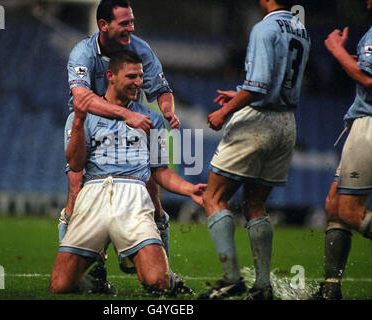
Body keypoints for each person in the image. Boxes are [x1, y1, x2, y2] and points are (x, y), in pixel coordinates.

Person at [49, 50, 206, 295]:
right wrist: (79, 120)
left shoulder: (152, 119)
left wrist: (189, 189)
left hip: (133, 196)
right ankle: (97, 280)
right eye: (132, 76)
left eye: (141, 76)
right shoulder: (81, 116)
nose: (139, 83)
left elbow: (161, 172)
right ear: (110, 75)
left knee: (158, 282)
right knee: (60, 286)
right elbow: (76, 164)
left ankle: (167, 277)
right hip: (94, 194)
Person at [58, 0, 186, 293]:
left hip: (133, 129)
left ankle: (165, 272)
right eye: (125, 23)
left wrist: (166, 111)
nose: (131, 28)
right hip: (87, 127)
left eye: (132, 22)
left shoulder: (140, 49)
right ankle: (95, 271)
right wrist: (128, 114)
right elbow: (82, 101)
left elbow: (162, 89)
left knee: (155, 199)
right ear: (104, 25)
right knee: (76, 192)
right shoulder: (83, 53)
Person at [198, 0, 310, 300]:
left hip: (257, 121)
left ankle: (232, 279)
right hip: (286, 123)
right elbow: (278, 81)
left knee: (214, 197)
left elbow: (258, 87)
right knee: (254, 206)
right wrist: (239, 93)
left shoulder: (264, 28)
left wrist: (226, 111)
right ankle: (263, 287)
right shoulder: (301, 30)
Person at [314, 0, 372, 300]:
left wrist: (336, 51)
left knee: (348, 211)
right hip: (362, 123)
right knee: (334, 205)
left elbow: (368, 78)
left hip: (370, 125)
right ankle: (330, 288)